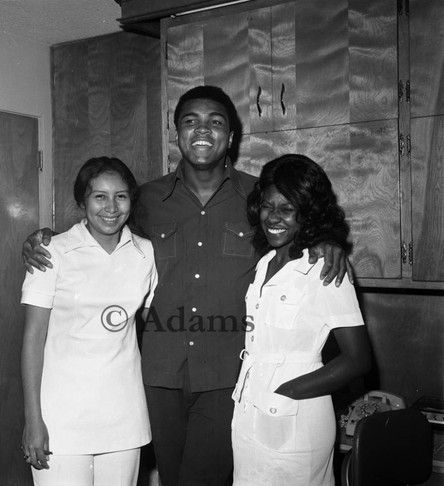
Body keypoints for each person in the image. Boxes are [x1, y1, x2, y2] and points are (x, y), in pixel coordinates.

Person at [22, 86, 352, 486]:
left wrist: (325, 241)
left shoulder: (258, 196)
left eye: (216, 122)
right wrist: (46, 238)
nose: (202, 130)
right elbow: (102, 230)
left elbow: (294, 227)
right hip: (158, 375)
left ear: (231, 136)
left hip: (226, 376)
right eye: (190, 120)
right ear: (176, 132)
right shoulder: (146, 199)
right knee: (173, 477)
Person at [231, 154, 371, 486]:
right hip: (250, 412)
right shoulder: (265, 262)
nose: (273, 217)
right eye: (267, 206)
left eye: (287, 209)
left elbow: (358, 358)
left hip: (296, 415)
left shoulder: (325, 266)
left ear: (307, 213)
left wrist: (289, 390)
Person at [20, 157, 158, 486]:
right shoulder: (52, 251)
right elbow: (33, 339)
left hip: (124, 416)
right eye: (99, 196)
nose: (111, 207)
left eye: (121, 196)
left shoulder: (146, 253)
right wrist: (32, 419)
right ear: (82, 201)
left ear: (131, 201)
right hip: (61, 418)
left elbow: (157, 323)